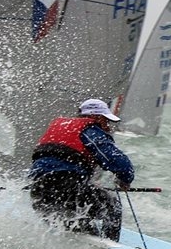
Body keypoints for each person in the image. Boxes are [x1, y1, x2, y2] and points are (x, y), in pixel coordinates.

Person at [28, 98, 135, 240]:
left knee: (78, 223)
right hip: (67, 189)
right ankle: (110, 246)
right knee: (112, 207)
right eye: (106, 120)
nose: (108, 126)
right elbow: (119, 162)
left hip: (38, 191)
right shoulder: (90, 130)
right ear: (96, 117)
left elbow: (52, 165)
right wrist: (125, 179)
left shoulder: (60, 127)